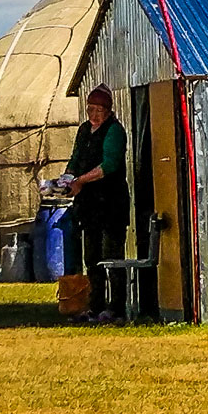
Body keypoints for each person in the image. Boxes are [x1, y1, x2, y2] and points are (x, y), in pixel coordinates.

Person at [65, 85, 129, 320]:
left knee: (112, 256)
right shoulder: (84, 130)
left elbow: (109, 165)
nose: (93, 114)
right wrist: (67, 178)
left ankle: (116, 309)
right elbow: (75, 157)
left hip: (111, 202)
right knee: (91, 257)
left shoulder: (114, 131)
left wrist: (80, 180)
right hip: (89, 205)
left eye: (99, 110)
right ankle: (95, 307)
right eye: (90, 109)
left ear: (108, 110)